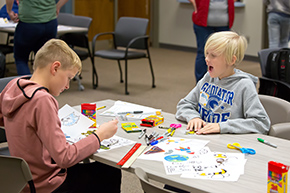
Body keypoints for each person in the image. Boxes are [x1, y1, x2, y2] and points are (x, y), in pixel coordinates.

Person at [0, 39, 121, 193]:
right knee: (110, 172)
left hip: (22, 179)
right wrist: (99, 135)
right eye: (69, 78)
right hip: (46, 185)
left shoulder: (14, 86)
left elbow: (7, 117)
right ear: (55, 68)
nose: (67, 86)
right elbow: (65, 158)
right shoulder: (43, 100)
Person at [175, 31, 271, 135]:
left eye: (213, 55)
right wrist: (193, 117)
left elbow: (261, 123)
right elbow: (185, 104)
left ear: (231, 60)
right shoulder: (208, 78)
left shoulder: (244, 85)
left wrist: (222, 127)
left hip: (228, 143)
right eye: (207, 53)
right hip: (203, 138)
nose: (206, 59)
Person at [6, 0, 69, 75]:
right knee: (45, 61)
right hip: (50, 24)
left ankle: (28, 86)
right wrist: (57, 7)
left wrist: (9, 10)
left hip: (29, 24)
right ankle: (43, 86)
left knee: (21, 59)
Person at [188, 0, 235, 83]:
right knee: (203, 53)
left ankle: (221, 82)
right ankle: (201, 84)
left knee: (224, 54)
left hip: (224, 25)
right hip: (202, 25)